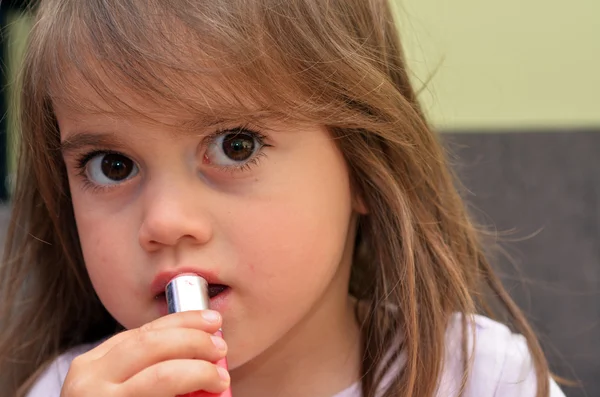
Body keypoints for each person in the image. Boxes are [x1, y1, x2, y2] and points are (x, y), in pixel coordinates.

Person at [0, 1, 567, 396]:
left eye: (235, 146)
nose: (167, 222)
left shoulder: (481, 378)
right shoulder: (70, 390)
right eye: (113, 165)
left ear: (364, 167)